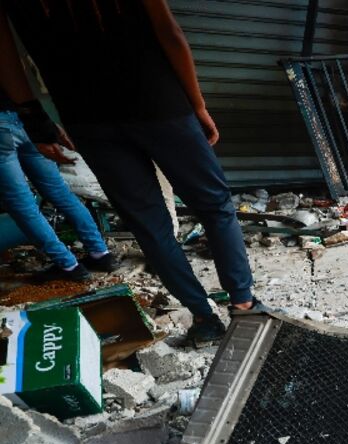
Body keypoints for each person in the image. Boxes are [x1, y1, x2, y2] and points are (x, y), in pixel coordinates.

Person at [0, 0, 260, 346]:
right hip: (160, 104)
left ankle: (203, 317)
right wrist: (196, 103)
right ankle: (243, 303)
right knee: (214, 206)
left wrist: (34, 116)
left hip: (88, 119)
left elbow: (6, 55)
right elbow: (169, 33)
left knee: (151, 227)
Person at [0, 90, 116, 281]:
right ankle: (100, 254)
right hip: (26, 121)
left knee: (22, 204)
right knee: (59, 191)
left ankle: (68, 266)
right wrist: (45, 124)